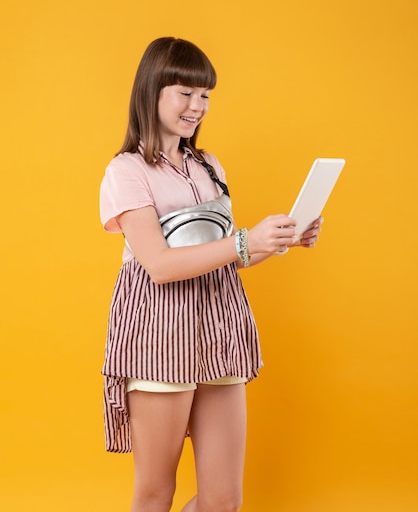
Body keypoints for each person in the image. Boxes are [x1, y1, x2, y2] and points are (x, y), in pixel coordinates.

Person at [99, 37, 322, 512]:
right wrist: (244, 240)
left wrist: (279, 239)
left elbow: (224, 256)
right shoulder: (127, 170)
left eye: (205, 96)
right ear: (152, 90)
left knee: (224, 500)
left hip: (219, 326)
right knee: (156, 492)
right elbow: (158, 265)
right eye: (185, 93)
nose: (197, 106)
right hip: (159, 329)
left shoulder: (208, 165)